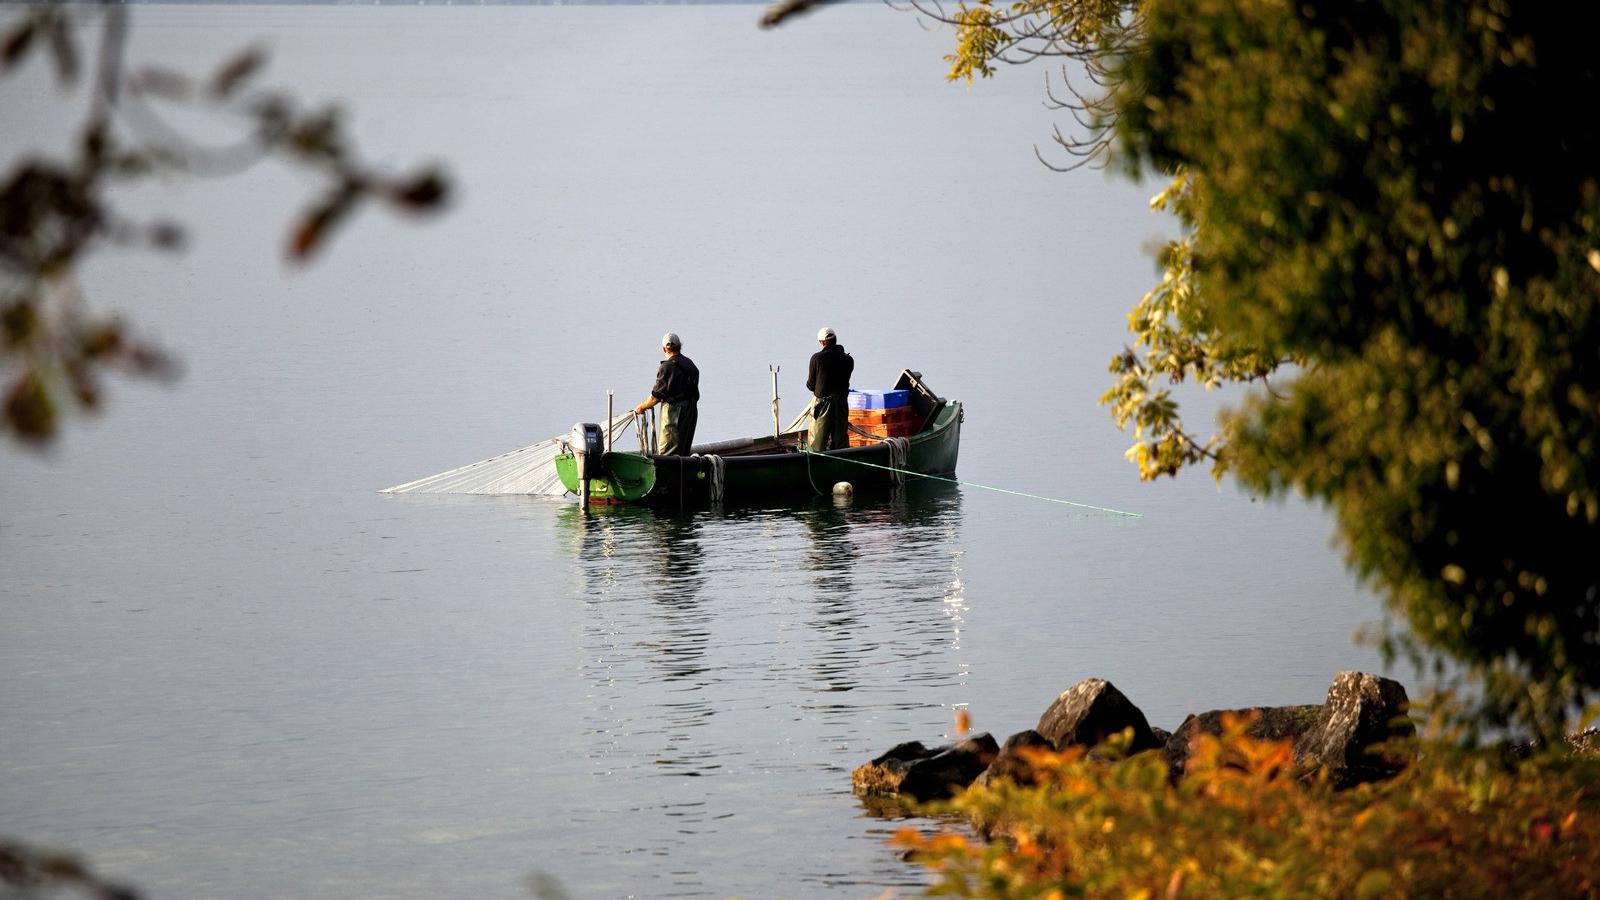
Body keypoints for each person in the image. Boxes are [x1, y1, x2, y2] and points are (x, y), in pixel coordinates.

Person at [634, 332, 700, 456]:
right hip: (691, 412)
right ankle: (682, 471)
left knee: (667, 452)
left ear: (664, 349)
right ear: (680, 346)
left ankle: (665, 473)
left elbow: (655, 397)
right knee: (683, 450)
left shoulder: (666, 367)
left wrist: (641, 407)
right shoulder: (690, 364)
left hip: (674, 414)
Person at [806, 326, 854, 451]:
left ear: (822, 343)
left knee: (817, 442)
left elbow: (811, 385)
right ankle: (840, 461)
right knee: (840, 440)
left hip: (822, 405)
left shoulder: (817, 358)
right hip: (841, 404)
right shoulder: (849, 360)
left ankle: (815, 461)